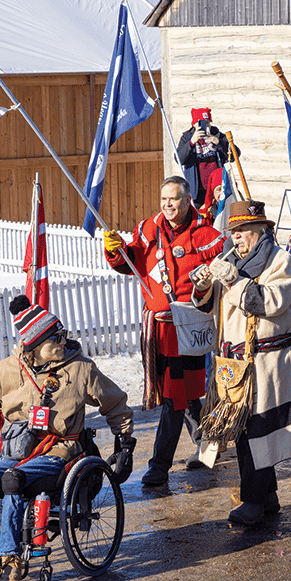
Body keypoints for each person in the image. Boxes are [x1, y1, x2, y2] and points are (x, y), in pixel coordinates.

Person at [0, 296, 134, 581]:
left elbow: (115, 403)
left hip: (58, 452)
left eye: (63, 334)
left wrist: (125, 443)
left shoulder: (80, 369)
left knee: (13, 480)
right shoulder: (5, 371)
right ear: (35, 343)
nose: (64, 341)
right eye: (56, 337)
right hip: (16, 451)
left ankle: (11, 555)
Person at [192, 200, 291, 526]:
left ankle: (253, 502)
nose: (236, 239)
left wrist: (232, 281)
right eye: (233, 232)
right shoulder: (232, 261)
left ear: (261, 231)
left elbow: (269, 303)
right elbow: (208, 307)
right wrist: (202, 287)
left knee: (257, 430)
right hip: (237, 363)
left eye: (242, 231)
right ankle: (267, 497)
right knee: (244, 429)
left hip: (267, 362)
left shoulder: (280, 260)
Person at [102, 177, 222, 486]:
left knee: (177, 396)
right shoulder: (147, 230)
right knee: (183, 394)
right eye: (164, 199)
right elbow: (130, 262)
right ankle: (208, 441)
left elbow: (224, 267)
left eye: (174, 199)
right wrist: (115, 251)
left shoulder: (206, 234)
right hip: (160, 331)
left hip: (191, 329)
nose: (168, 205)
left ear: (187, 201)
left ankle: (159, 466)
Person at [176, 108, 237, 206]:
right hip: (197, 190)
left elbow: (235, 155)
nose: (205, 126)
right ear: (194, 124)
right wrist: (191, 142)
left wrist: (218, 142)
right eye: (200, 123)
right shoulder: (187, 138)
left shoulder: (217, 135)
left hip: (217, 188)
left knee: (218, 217)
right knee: (199, 218)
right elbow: (179, 159)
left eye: (207, 122)